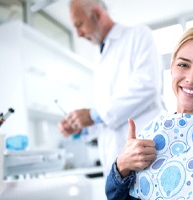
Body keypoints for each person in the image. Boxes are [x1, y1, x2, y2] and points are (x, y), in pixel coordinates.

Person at [105, 27, 193, 200]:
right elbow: (114, 196)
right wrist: (122, 165)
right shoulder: (156, 129)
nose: (192, 78)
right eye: (183, 65)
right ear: (172, 68)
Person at [58, 0, 165, 177]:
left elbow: (147, 86)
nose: (78, 34)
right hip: (117, 166)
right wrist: (81, 126)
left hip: (145, 157)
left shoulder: (138, 35)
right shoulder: (100, 57)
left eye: (79, 24)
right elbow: (108, 115)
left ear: (98, 15)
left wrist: (92, 115)